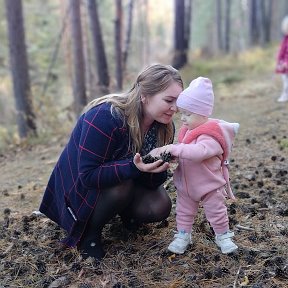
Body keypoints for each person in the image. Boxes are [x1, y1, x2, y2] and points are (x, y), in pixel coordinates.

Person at [39, 63, 183, 260]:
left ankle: (124, 214)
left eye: (179, 100)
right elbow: (87, 176)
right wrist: (134, 167)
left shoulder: (163, 127)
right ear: (145, 96)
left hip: (122, 182)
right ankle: (89, 234)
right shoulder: (106, 116)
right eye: (169, 100)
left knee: (159, 206)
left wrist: (159, 166)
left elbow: (152, 182)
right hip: (79, 191)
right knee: (120, 186)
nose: (175, 108)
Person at [151, 77, 239, 254]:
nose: (182, 118)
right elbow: (186, 154)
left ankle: (223, 235)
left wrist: (175, 148)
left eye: (188, 114)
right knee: (184, 212)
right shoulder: (189, 131)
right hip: (187, 185)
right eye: (182, 113)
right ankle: (183, 235)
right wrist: (171, 156)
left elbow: (198, 152)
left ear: (203, 113)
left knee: (216, 211)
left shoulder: (212, 135)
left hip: (209, 185)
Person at [275, 15, 288, 102]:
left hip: (286, 63)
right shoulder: (285, 39)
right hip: (283, 63)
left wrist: (286, 62)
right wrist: (279, 58)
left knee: (287, 82)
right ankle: (285, 94)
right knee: (285, 80)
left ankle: (286, 94)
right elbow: (282, 50)